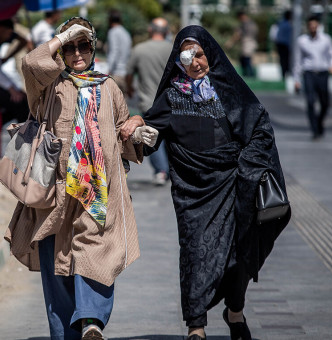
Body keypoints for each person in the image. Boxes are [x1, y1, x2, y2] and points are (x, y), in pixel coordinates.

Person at [121, 25, 291, 340]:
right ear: (177, 60)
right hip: (191, 192)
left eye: (199, 54)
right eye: (187, 57)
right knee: (195, 254)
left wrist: (248, 166)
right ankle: (196, 325)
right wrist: (136, 126)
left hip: (233, 187)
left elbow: (259, 127)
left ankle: (235, 311)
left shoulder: (231, 89)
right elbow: (151, 131)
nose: (195, 62)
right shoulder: (172, 94)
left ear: (209, 53)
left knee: (237, 256)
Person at [5, 17, 157, 340]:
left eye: (83, 45)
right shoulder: (48, 86)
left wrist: (137, 128)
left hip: (97, 192)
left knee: (96, 254)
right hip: (54, 190)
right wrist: (61, 39)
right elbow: (31, 62)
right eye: (70, 47)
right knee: (57, 263)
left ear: (93, 48)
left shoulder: (109, 86)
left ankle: (91, 322)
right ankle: (65, 335)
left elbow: (121, 134)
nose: (77, 53)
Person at [126, 17, 173, 186]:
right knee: (170, 137)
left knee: (152, 137)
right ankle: (169, 170)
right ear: (166, 31)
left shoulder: (139, 49)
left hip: (149, 102)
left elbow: (129, 74)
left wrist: (130, 88)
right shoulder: (172, 49)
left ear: (150, 30)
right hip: (171, 102)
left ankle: (161, 171)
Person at [293, 15, 332, 140]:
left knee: (325, 103)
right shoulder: (302, 41)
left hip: (323, 73)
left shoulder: (326, 39)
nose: (313, 27)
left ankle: (319, 122)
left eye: (315, 25)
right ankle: (315, 130)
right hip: (309, 73)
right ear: (307, 27)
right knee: (311, 102)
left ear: (318, 26)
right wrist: (296, 80)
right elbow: (298, 61)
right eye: (310, 25)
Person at [224, 10, 258, 77]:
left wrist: (230, 43)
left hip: (248, 42)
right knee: (244, 59)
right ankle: (249, 75)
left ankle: (250, 75)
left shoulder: (245, 24)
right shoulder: (252, 23)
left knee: (246, 59)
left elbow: (238, 35)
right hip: (251, 42)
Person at [106, 9, 132, 92]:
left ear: (109, 20)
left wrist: (108, 70)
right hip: (125, 73)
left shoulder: (113, 32)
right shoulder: (126, 33)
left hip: (116, 73)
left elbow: (114, 51)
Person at [275, 10, 293, 79]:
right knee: (287, 60)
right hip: (286, 45)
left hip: (280, 44)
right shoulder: (289, 25)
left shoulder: (281, 23)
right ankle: (286, 74)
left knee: (282, 60)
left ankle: (284, 74)